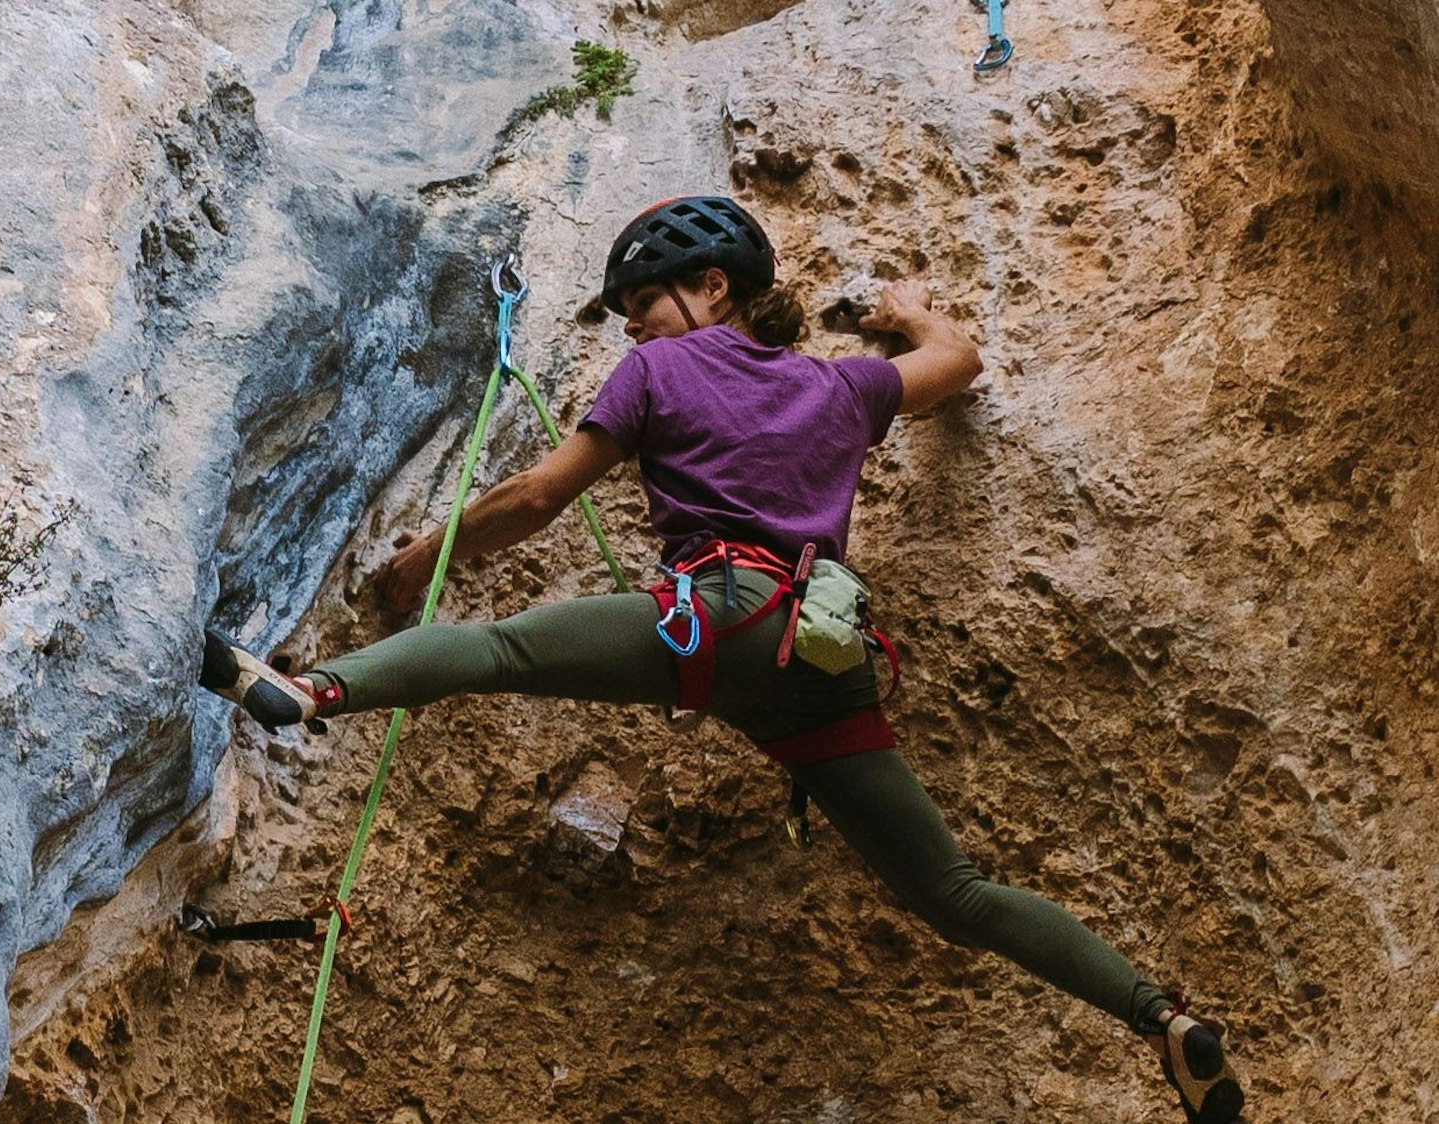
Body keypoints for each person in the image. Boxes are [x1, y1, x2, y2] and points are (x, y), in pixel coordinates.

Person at [198, 196, 1244, 1123]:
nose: (633, 325)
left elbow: (534, 497)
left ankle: (311, 688)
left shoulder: (659, 368)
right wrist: (910, 306)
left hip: (722, 611)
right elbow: (958, 361)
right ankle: (1163, 1021)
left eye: (642, 302)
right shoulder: (841, 389)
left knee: (500, 647)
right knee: (953, 891)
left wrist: (421, 556)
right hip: (820, 654)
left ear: (711, 286)